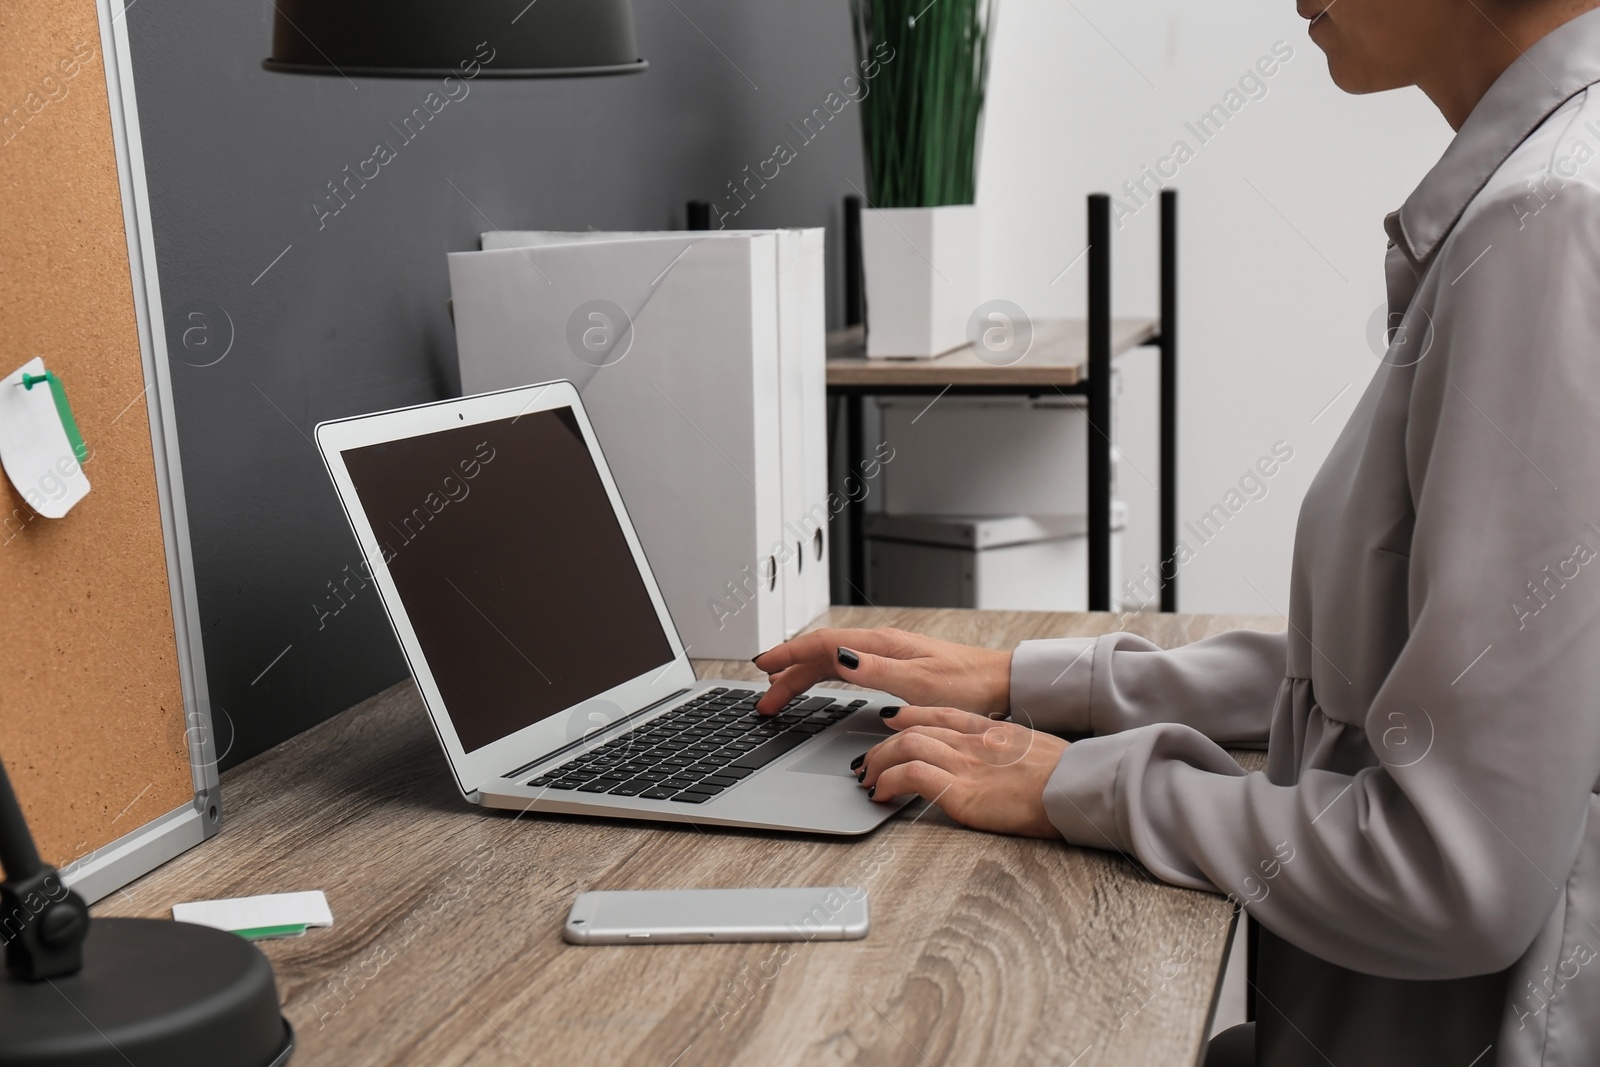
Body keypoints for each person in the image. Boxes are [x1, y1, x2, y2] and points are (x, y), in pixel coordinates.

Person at [753, 1, 1600, 1063]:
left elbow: (1453, 870)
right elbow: (1408, 669)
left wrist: (1079, 783)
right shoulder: (1546, 190)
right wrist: (1034, 680)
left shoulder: (1551, 221)